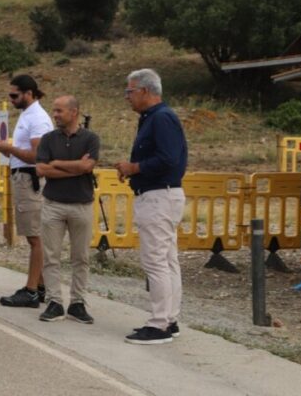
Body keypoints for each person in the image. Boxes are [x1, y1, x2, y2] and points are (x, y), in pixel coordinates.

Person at [114, 69, 188, 345]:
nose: (127, 97)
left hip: (158, 196)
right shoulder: (155, 118)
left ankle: (159, 324)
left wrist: (134, 167)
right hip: (161, 194)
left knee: (155, 260)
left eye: (130, 91)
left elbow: (168, 158)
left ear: (145, 91)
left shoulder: (161, 118)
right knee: (167, 260)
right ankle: (169, 318)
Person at [0, 74, 53, 308]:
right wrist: (1, 145)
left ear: (28, 93)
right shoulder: (28, 115)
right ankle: (41, 287)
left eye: (14, 95)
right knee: (34, 235)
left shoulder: (38, 118)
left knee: (35, 237)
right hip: (22, 177)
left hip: (29, 179)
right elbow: (22, 151)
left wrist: (9, 148)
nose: (11, 99)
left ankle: (31, 290)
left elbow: (37, 156)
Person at [34, 96, 99, 324]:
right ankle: (54, 301)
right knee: (51, 256)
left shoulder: (91, 138)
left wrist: (57, 163)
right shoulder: (48, 139)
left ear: (74, 112)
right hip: (53, 204)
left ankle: (77, 302)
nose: (55, 115)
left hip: (81, 205)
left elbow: (88, 165)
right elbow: (41, 170)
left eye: (59, 111)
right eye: (54, 110)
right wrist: (77, 168)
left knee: (81, 257)